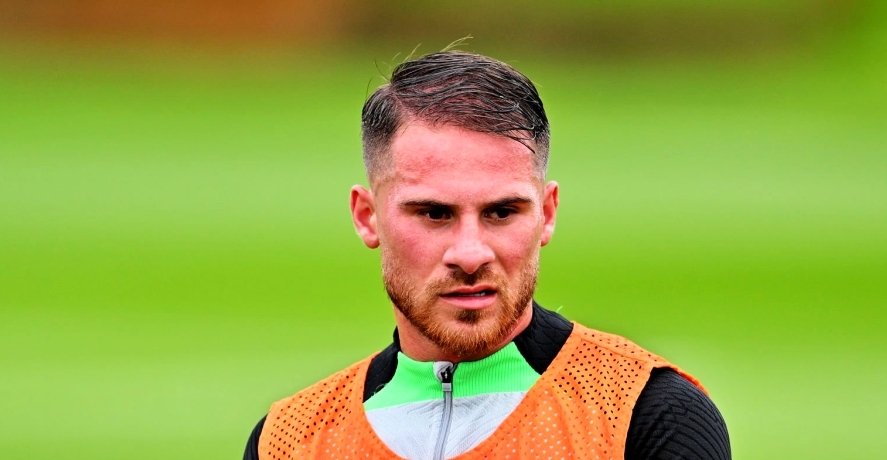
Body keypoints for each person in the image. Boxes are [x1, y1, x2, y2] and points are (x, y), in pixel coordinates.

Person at [243, 50, 730, 460]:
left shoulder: (644, 415)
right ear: (367, 217)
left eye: (501, 212)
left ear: (547, 214)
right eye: (434, 213)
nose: (471, 254)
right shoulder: (291, 441)